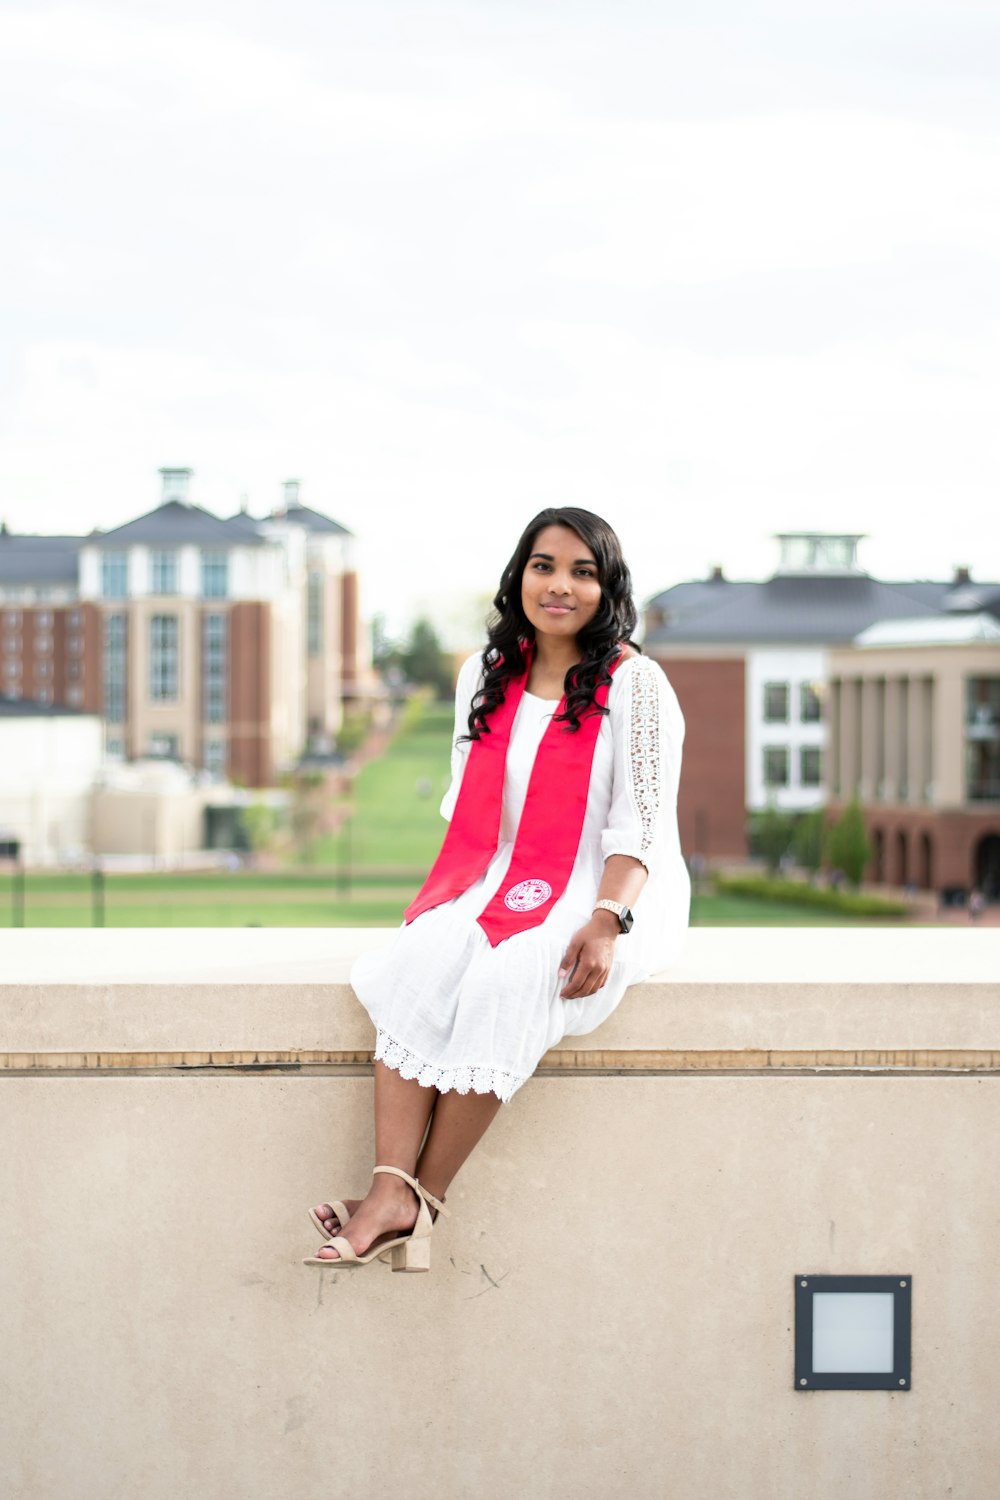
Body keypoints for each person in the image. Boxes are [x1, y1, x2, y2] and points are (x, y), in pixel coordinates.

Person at [305, 507, 690, 1269]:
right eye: (544, 566)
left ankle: (423, 1196)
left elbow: (640, 824)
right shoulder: (485, 675)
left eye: (584, 572)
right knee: (418, 961)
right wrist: (466, 897)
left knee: (516, 975)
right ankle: (388, 1188)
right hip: (501, 869)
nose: (560, 586)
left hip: (608, 885)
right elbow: (473, 803)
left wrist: (608, 918)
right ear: (519, 577)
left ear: (607, 587)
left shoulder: (636, 685)